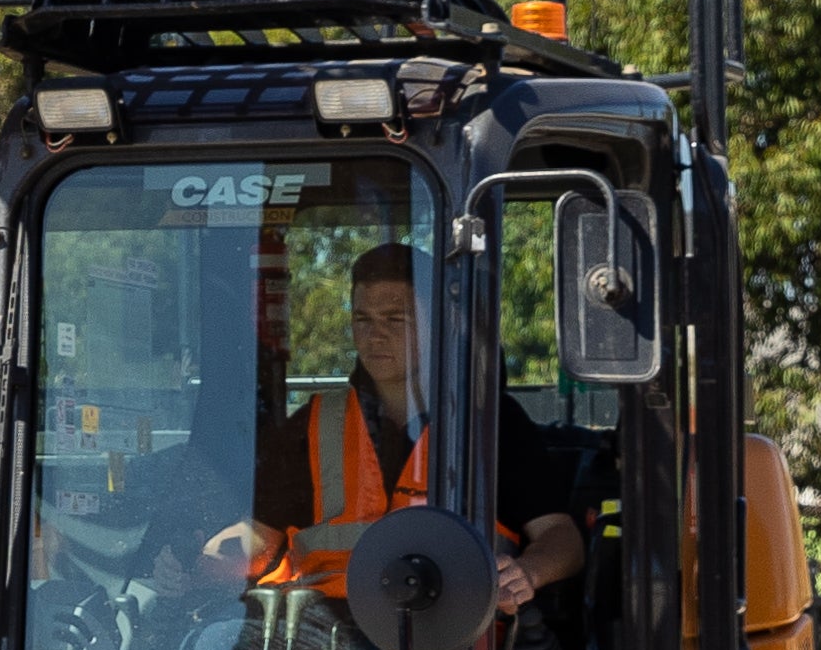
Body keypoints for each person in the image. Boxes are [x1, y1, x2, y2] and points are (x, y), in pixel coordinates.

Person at [206, 243, 586, 626]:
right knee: (213, 644)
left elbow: (562, 537)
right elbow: (260, 534)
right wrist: (210, 559)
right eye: (362, 319)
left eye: (395, 319)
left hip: (446, 631)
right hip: (319, 626)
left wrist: (528, 573)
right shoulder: (314, 422)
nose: (375, 335)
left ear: (441, 322)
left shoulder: (491, 424)